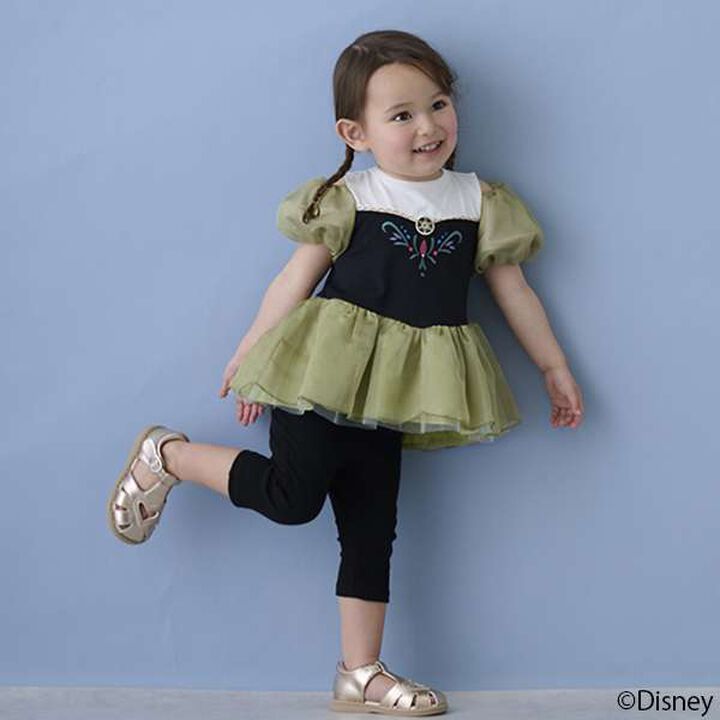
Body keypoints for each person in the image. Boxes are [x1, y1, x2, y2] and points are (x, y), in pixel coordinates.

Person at [107, 29, 584, 716]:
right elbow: (292, 283)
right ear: (355, 133)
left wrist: (553, 365)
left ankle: (359, 673)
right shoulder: (349, 196)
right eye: (402, 115)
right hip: (320, 375)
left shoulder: (480, 200)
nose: (428, 127)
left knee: (372, 528)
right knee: (293, 498)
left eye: (438, 104)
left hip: (397, 393)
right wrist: (251, 354)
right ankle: (169, 455)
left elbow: (515, 292)